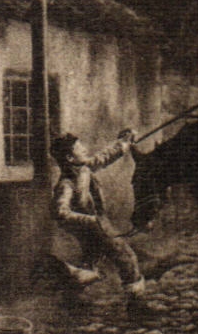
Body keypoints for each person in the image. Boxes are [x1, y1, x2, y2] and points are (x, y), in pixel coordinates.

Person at [51, 128, 149, 307]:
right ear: (70, 159)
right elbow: (60, 213)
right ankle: (137, 304)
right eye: (80, 149)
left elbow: (103, 157)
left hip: (97, 223)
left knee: (90, 266)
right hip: (94, 226)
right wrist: (90, 221)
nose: (85, 150)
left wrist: (123, 143)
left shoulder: (83, 168)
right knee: (125, 256)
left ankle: (70, 297)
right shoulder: (66, 184)